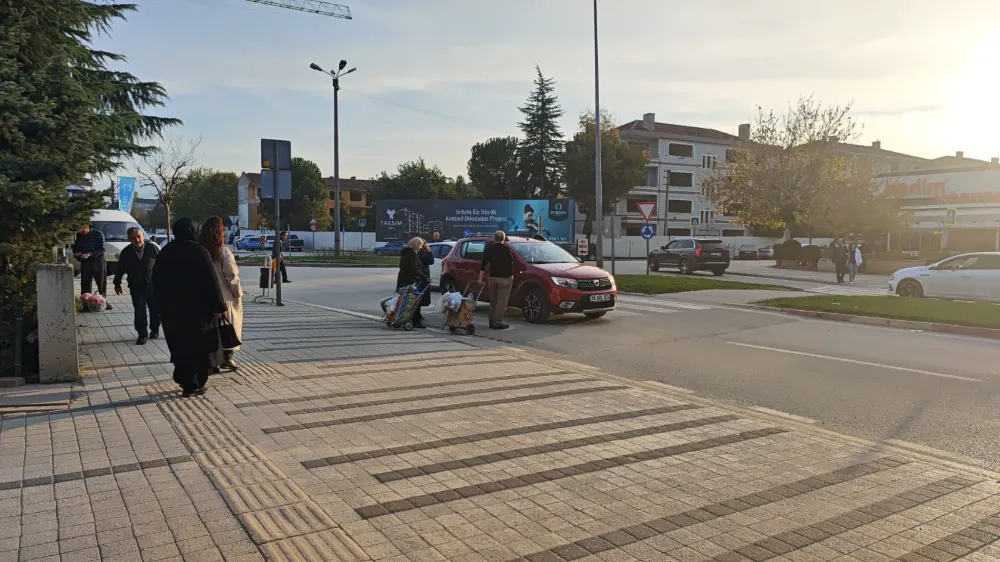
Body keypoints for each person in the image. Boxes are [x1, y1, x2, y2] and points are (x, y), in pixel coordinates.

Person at [153, 218, 228, 397]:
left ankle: (184, 378)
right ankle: (194, 383)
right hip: (199, 312)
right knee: (199, 347)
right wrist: (219, 306)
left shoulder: (166, 252)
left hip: (172, 311)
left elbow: (156, 281)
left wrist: (158, 306)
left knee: (180, 345)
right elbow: (212, 281)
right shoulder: (200, 252)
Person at [199, 217, 243, 371]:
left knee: (213, 330)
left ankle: (213, 361)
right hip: (226, 297)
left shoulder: (200, 251)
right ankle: (228, 358)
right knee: (228, 327)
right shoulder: (223, 251)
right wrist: (237, 293)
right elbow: (231, 276)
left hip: (205, 298)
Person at [113, 227, 160, 345]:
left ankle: (155, 329)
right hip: (136, 286)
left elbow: (162, 265)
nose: (137, 240)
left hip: (152, 285)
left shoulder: (152, 248)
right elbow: (120, 269)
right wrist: (117, 284)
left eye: (139, 236)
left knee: (155, 310)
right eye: (133, 238)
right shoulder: (126, 252)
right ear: (129, 239)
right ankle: (142, 334)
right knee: (140, 311)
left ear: (143, 236)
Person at [478, 230, 515, 330]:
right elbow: (512, 263)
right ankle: (498, 322)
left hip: (493, 278)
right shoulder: (506, 249)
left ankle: (491, 321)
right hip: (505, 279)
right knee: (501, 302)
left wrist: (480, 279)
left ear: (494, 239)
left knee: (493, 301)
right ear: (503, 239)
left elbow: (483, 265)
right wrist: (511, 275)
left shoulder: (489, 249)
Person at [73, 224, 112, 310]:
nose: (81, 233)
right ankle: (85, 304)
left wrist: (89, 254)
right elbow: (75, 247)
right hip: (85, 262)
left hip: (98, 261)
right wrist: (76, 253)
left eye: (83, 231)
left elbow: (102, 249)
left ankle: (102, 302)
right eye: (80, 231)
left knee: (101, 283)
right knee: (85, 283)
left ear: (87, 226)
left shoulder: (98, 234)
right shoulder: (79, 236)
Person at [396, 237, 429, 328]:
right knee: (415, 301)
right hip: (411, 280)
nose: (420, 247)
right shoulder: (412, 253)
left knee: (405, 301)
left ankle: (399, 317)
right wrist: (424, 277)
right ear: (416, 244)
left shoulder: (405, 252)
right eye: (420, 245)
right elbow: (414, 268)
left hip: (403, 279)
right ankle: (416, 321)